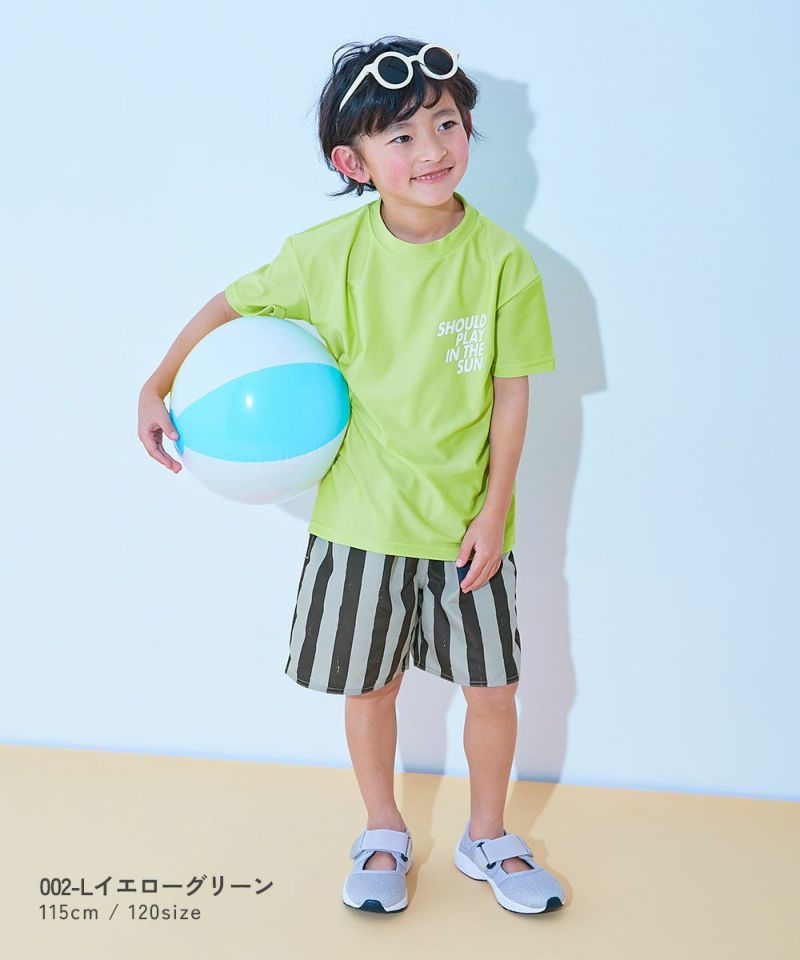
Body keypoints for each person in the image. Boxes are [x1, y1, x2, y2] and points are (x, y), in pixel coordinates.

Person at [137, 35, 564, 916]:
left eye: (446, 124)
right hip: (359, 525)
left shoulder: (502, 263)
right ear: (353, 162)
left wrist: (494, 513)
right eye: (400, 136)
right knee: (370, 689)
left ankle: (489, 835)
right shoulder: (325, 254)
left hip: (468, 529)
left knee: (494, 691)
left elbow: (513, 396)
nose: (432, 149)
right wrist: (157, 381)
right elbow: (231, 302)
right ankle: (382, 829)